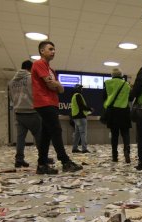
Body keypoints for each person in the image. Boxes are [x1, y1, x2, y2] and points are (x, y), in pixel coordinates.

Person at [32, 40, 83, 174]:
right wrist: (58, 85)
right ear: (42, 51)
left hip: (51, 102)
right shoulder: (39, 64)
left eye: (54, 49)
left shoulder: (51, 70)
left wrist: (58, 85)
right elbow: (51, 85)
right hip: (44, 102)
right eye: (50, 49)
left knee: (46, 135)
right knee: (56, 130)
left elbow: (60, 90)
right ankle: (65, 162)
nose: (53, 51)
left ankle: (42, 165)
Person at [8, 60, 54, 168]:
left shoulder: (12, 82)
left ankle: (19, 160)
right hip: (32, 111)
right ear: (31, 68)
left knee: (20, 138)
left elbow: (11, 98)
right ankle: (43, 159)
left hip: (18, 112)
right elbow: (36, 93)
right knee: (39, 137)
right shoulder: (31, 78)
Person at [103, 68, 132, 163]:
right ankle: (127, 151)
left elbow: (104, 97)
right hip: (124, 111)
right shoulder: (126, 84)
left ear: (112, 75)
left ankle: (114, 156)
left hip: (113, 111)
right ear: (121, 75)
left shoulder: (107, 83)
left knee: (114, 135)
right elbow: (130, 98)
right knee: (125, 133)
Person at [71, 84, 91, 153]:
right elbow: (81, 106)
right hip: (80, 117)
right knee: (83, 133)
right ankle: (84, 149)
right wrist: (89, 109)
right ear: (78, 89)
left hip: (76, 117)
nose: (82, 90)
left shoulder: (74, 96)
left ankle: (74, 148)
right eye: (80, 88)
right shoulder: (78, 95)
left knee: (77, 133)